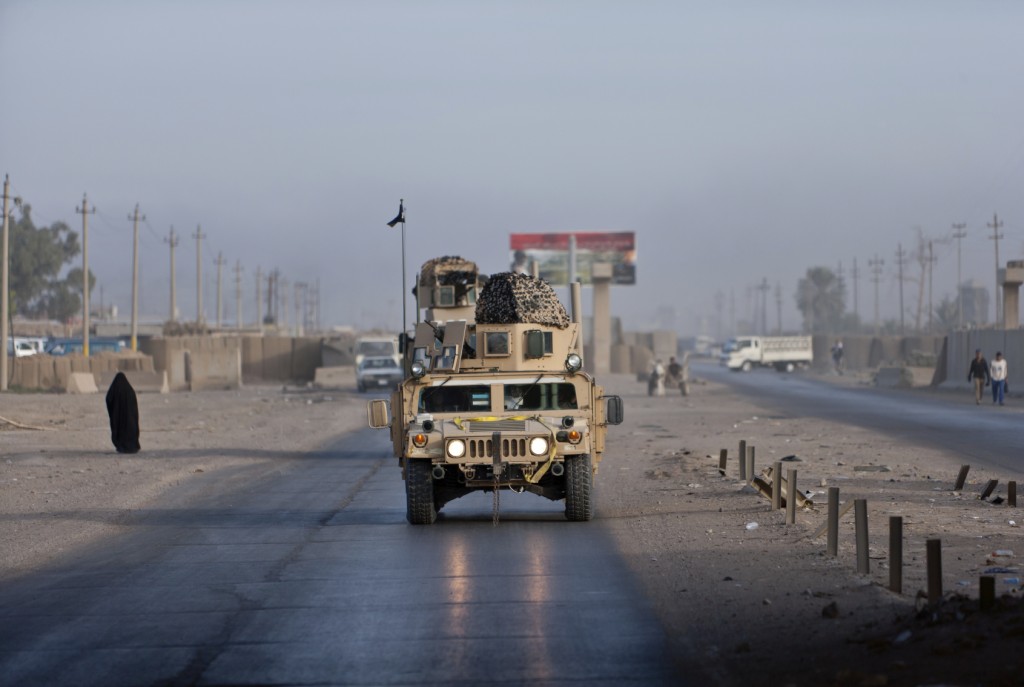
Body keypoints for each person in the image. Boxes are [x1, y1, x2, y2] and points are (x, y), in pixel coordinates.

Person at [105, 372, 140, 454]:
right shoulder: (131, 391)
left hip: (119, 419)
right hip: (131, 421)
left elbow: (108, 398)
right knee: (130, 427)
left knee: (121, 428)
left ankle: (122, 445)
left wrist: (114, 409)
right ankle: (132, 445)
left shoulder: (116, 391)